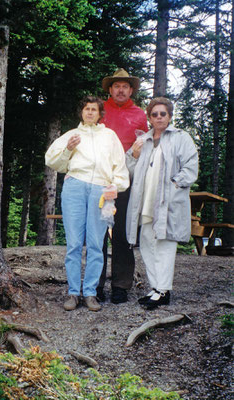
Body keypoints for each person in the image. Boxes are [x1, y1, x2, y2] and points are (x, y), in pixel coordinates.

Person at [45, 96, 129, 312]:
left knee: (95, 243)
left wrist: (115, 186)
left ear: (101, 113)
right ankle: (73, 293)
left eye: (94, 109)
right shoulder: (71, 136)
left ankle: (90, 293)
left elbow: (120, 167)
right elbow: (52, 161)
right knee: (73, 243)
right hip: (75, 187)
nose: (90, 112)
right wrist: (68, 150)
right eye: (86, 109)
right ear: (81, 112)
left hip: (102, 191)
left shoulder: (110, 136)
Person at [126, 97, 198, 310]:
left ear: (169, 116)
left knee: (164, 245)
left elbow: (191, 167)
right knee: (147, 243)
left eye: (163, 114)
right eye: (154, 114)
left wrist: (175, 184)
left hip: (167, 202)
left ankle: (163, 291)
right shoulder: (144, 140)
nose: (159, 117)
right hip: (145, 201)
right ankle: (155, 287)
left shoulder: (181, 138)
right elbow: (128, 168)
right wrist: (135, 154)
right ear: (149, 117)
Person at [97, 68, 148, 304]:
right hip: (100, 181)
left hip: (126, 183)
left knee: (122, 233)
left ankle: (120, 286)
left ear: (131, 90)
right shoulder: (99, 110)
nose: (120, 90)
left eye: (125, 86)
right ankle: (94, 285)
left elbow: (146, 147)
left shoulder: (139, 114)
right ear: (109, 89)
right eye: (116, 86)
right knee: (98, 232)